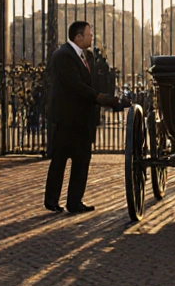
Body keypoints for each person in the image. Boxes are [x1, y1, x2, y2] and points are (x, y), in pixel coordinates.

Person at [44, 21, 119, 214]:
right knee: (60, 159)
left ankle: (74, 201)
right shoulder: (63, 55)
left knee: (82, 160)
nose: (91, 37)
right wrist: (98, 97)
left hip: (83, 118)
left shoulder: (88, 56)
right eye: (89, 34)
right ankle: (51, 200)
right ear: (78, 37)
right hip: (67, 118)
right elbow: (74, 85)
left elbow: (93, 82)